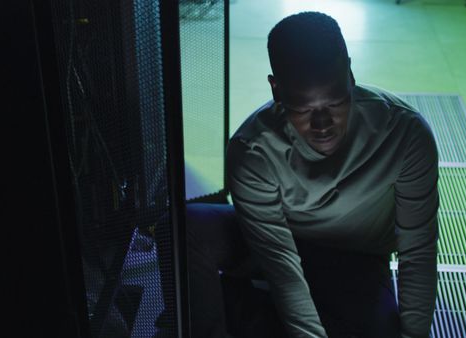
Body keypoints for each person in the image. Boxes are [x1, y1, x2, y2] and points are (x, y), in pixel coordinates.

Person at [187, 11, 439, 338]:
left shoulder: (404, 134)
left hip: (355, 260)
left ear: (350, 73)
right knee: (187, 229)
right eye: (304, 109)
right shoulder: (253, 151)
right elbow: (281, 267)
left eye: (335, 103)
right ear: (276, 90)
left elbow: (417, 249)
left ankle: (243, 308)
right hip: (275, 244)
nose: (322, 124)